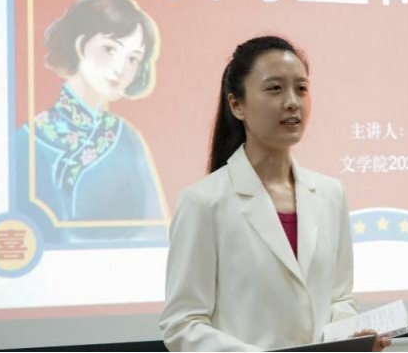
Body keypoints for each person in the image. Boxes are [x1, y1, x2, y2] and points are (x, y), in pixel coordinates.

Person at [158, 36, 391, 351]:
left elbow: (339, 299)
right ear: (236, 105)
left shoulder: (330, 193)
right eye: (275, 88)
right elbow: (182, 324)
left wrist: (351, 340)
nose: (292, 102)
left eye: (301, 88)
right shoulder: (203, 202)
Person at [15, 0, 169, 244]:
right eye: (109, 49)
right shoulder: (27, 140)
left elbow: (158, 231)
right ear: (80, 46)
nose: (120, 68)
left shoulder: (127, 138)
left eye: (132, 59)